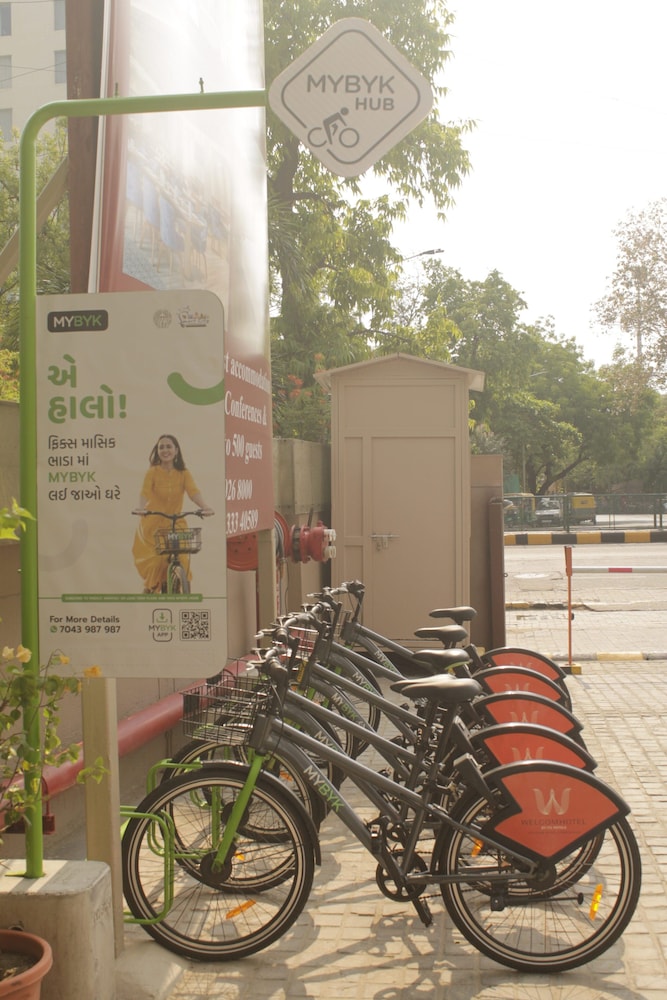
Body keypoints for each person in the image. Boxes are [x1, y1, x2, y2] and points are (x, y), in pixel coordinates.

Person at [132, 434, 214, 593]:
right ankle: (150, 590)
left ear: (176, 450)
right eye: (161, 447)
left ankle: (183, 589)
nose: (165, 450)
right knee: (158, 561)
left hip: (176, 524)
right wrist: (141, 508)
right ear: (157, 451)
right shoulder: (152, 472)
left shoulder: (184, 473)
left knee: (183, 559)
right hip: (153, 525)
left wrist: (204, 507)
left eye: (168, 446)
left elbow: (193, 492)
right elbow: (145, 492)